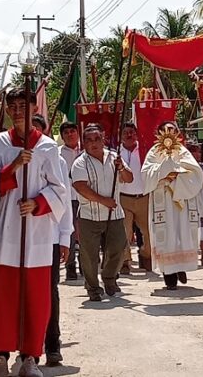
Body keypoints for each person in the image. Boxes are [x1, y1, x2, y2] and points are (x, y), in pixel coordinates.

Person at [0, 87, 67, 377]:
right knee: (2, 298)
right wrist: (13, 167)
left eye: (23, 106)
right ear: (7, 110)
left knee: (35, 298)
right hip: (3, 231)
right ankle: (1, 357)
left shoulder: (47, 147)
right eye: (13, 106)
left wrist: (38, 203)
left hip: (35, 234)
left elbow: (59, 189)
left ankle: (30, 357)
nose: (18, 112)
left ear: (33, 108)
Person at [141, 121, 203, 291]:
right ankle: (169, 275)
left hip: (181, 199)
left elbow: (196, 173)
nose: (168, 133)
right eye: (165, 130)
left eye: (172, 130)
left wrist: (176, 175)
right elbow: (146, 174)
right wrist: (163, 171)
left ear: (177, 133)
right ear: (159, 133)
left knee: (181, 232)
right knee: (166, 235)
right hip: (163, 199)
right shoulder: (153, 153)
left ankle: (181, 267)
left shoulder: (183, 152)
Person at [71, 124, 132, 301]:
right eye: (89, 140)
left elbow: (129, 178)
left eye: (97, 139)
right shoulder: (80, 163)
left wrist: (121, 168)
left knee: (119, 248)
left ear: (102, 138)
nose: (93, 143)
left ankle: (109, 277)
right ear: (84, 143)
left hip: (114, 214)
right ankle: (92, 287)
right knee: (89, 255)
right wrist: (103, 200)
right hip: (90, 215)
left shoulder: (114, 157)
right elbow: (80, 187)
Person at [31, 115, 73, 367]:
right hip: (19, 238)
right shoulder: (11, 153)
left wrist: (65, 236)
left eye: (36, 128)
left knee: (49, 292)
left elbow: (64, 200)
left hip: (50, 237)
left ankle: (52, 345)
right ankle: (27, 348)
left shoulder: (55, 158)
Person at [117, 122, 152, 274]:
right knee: (125, 232)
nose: (129, 135)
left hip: (144, 197)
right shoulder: (116, 153)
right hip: (123, 198)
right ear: (121, 134)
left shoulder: (145, 150)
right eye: (125, 132)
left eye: (132, 132)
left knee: (149, 233)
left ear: (136, 134)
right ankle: (125, 261)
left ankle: (145, 255)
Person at [58, 121, 81, 281]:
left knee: (86, 235)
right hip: (68, 199)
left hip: (86, 198)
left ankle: (86, 266)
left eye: (73, 131)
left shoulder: (86, 150)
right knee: (70, 234)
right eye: (66, 132)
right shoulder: (57, 154)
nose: (70, 134)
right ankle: (70, 266)